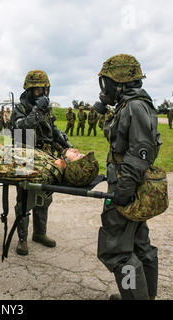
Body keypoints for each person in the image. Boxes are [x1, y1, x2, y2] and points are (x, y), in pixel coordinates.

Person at [95, 54, 161, 300]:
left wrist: (124, 188)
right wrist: (103, 107)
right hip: (131, 184)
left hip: (127, 185)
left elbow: (139, 152)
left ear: (120, 82)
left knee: (117, 251)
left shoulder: (134, 107)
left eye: (108, 82)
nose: (105, 88)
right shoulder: (133, 104)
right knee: (139, 245)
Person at [11, 70, 72, 256]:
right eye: (38, 90)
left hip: (45, 157)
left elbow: (49, 126)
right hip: (26, 157)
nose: (43, 94)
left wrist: (58, 134)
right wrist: (37, 110)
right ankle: (22, 239)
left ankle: (40, 233)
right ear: (29, 91)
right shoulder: (19, 109)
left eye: (45, 90)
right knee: (24, 199)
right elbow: (21, 127)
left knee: (44, 197)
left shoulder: (46, 108)